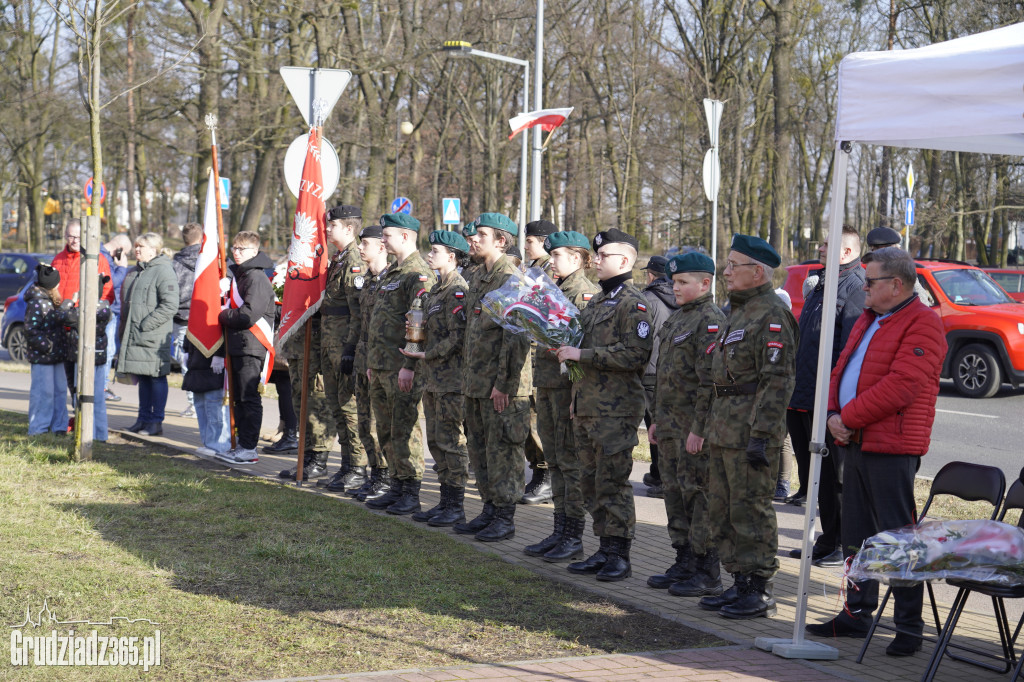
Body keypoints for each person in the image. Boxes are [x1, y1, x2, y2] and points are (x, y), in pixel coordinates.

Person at [806, 247, 946, 658]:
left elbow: (903, 385)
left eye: (870, 282)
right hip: (856, 440)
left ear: (896, 285)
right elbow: (841, 369)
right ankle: (856, 611)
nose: (863, 288)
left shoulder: (924, 323)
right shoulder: (871, 318)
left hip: (891, 446)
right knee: (856, 537)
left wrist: (846, 416)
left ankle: (908, 627)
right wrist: (833, 413)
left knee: (898, 539)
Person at [697, 234, 797, 619]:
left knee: (751, 510)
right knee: (723, 511)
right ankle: (739, 582)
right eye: (727, 264)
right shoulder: (738, 311)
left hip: (750, 432)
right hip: (724, 429)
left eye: (733, 266)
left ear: (758, 272)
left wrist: (763, 435)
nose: (725, 271)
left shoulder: (771, 314)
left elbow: (778, 381)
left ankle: (759, 589)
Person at [556, 228, 653, 582]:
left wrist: (582, 354)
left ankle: (620, 555)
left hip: (616, 410)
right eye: (596, 256)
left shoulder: (633, 303)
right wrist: (574, 394)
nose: (596, 260)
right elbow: (581, 356)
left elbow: (635, 354)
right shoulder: (597, 301)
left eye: (603, 256)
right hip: (587, 406)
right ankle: (602, 548)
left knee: (612, 482)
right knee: (591, 483)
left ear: (625, 261)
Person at [645, 252, 727, 597]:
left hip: (692, 430)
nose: (674, 288)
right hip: (669, 427)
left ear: (705, 283)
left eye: (682, 282)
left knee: (698, 497)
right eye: (673, 282)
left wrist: (700, 428)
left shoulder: (709, 320)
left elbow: (710, 382)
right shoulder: (680, 318)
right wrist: (656, 422)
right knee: (675, 496)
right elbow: (667, 376)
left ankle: (706, 568)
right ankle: (683, 559)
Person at [785, 226, 865, 566]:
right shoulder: (822, 282)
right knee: (813, 478)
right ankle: (826, 538)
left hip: (827, 404)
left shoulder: (856, 288)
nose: (820, 247)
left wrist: (836, 407)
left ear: (846, 253)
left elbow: (849, 353)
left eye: (828, 244)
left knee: (835, 480)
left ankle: (842, 545)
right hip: (803, 397)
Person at [455, 212, 532, 541]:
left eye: (481, 235)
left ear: (501, 241)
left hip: (502, 385)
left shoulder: (511, 279)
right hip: (476, 381)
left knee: (504, 451)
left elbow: (516, 337)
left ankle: (505, 515)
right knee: (481, 448)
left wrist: (505, 383)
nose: (472, 239)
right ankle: (489, 508)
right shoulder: (479, 276)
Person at [524, 230, 599, 561]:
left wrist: (576, 395)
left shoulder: (583, 294)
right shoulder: (554, 289)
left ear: (578, 258)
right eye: (550, 255)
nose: (550, 261)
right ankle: (559, 531)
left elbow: (582, 350)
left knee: (569, 465)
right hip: (549, 387)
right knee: (555, 462)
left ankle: (573, 536)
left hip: (566, 391)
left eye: (557, 256)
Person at [365, 213, 436, 514]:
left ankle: (411, 491)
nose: (383, 240)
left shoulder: (417, 272)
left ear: (406, 236)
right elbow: (381, 321)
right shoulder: (394, 271)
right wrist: (372, 362)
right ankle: (396, 485)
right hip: (381, 365)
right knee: (386, 428)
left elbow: (418, 324)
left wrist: (409, 365)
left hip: (401, 367)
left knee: (405, 428)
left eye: (388, 235)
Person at [399, 230, 471, 526]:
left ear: (452, 257)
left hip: (451, 379)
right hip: (432, 379)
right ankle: (444, 502)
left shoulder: (458, 289)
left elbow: (459, 336)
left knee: (452, 441)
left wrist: (428, 354)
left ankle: (456, 505)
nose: (429, 255)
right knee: (437, 441)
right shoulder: (435, 291)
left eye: (435, 251)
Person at [320, 205, 368, 492]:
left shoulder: (354, 260)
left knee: (349, 408)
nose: (327, 229)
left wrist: (350, 347)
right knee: (336, 406)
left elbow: (356, 312)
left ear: (348, 228)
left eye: (332, 225)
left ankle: (359, 467)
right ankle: (347, 464)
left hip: (343, 346)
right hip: (329, 343)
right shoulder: (338, 258)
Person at [216, 231, 275, 463]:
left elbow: (248, 315)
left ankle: (249, 447)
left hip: (251, 345)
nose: (236, 253)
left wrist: (223, 314)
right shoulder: (242, 276)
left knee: (249, 398)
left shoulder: (256, 278)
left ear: (254, 251)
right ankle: (241, 445)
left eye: (242, 249)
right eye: (235, 249)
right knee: (239, 398)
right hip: (239, 344)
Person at [118, 233, 178, 437]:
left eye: (141, 246)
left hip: (152, 336)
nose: (137, 250)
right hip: (136, 336)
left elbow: (170, 305)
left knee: (156, 378)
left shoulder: (163, 270)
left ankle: (156, 422)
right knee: (143, 378)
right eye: (135, 246)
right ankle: (142, 419)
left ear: (153, 250)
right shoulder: (136, 271)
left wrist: (146, 325)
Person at [348, 225, 391, 501]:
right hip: (364, 360)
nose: (360, 248)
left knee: (379, 423)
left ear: (381, 247)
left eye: (365, 243)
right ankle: (375, 474)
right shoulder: (369, 280)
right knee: (364, 422)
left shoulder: (391, 281)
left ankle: (385, 477)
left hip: (381, 363)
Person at [520, 219, 558, 505]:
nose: (525, 245)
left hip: (539, 357)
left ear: (544, 241)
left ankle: (545, 477)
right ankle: (538, 472)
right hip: (528, 355)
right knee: (528, 418)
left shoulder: (550, 272)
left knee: (535, 419)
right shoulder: (532, 270)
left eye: (530, 241)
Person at [640, 254, 679, 499]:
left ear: (651, 275)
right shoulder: (681, 296)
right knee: (663, 424)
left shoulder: (648, 299)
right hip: (670, 371)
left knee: (654, 426)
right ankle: (657, 473)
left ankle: (662, 477)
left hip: (649, 371)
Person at [56, 273, 112, 441]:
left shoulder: (90, 310)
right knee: (93, 398)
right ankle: (97, 434)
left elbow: (62, 315)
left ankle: (92, 434)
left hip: (86, 360)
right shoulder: (103, 307)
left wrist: (71, 300)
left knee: (86, 397)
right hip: (94, 358)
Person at [25, 264, 68, 435]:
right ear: (51, 285)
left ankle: (59, 426)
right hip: (43, 356)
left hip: (56, 355)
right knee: (43, 393)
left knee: (59, 391)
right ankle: (38, 428)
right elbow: (31, 331)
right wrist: (48, 346)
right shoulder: (36, 303)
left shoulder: (50, 301)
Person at [171, 222, 202, 417]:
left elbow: (171, 291)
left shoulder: (175, 263)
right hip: (203, 317)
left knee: (185, 362)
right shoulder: (210, 260)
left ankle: (194, 404)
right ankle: (197, 403)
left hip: (182, 317)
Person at [181, 338, 231, 457]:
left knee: (214, 409)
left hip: (213, 361)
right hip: (196, 359)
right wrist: (187, 349)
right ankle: (208, 443)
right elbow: (192, 328)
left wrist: (220, 353)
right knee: (201, 406)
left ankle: (219, 445)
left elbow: (220, 331)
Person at [51, 218, 115, 306]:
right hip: (58, 313)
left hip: (82, 314)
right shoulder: (57, 259)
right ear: (65, 235)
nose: (75, 241)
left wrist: (95, 310)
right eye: (71, 237)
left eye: (79, 237)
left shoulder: (97, 259)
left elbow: (107, 293)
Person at [100, 233, 131, 403]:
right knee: (108, 350)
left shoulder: (106, 256)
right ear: (119, 250)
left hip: (113, 310)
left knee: (108, 350)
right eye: (125, 253)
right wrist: (123, 267)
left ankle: (102, 385)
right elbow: (111, 283)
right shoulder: (104, 257)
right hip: (109, 310)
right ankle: (102, 387)